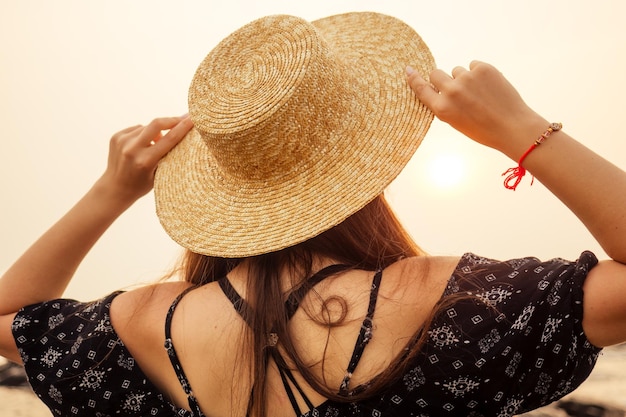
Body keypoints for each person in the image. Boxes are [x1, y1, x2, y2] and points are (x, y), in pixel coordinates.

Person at [0, 11, 624, 417]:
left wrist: (109, 192)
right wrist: (523, 130)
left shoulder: (133, 328)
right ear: (362, 162)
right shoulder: (457, 304)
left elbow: (7, 317)